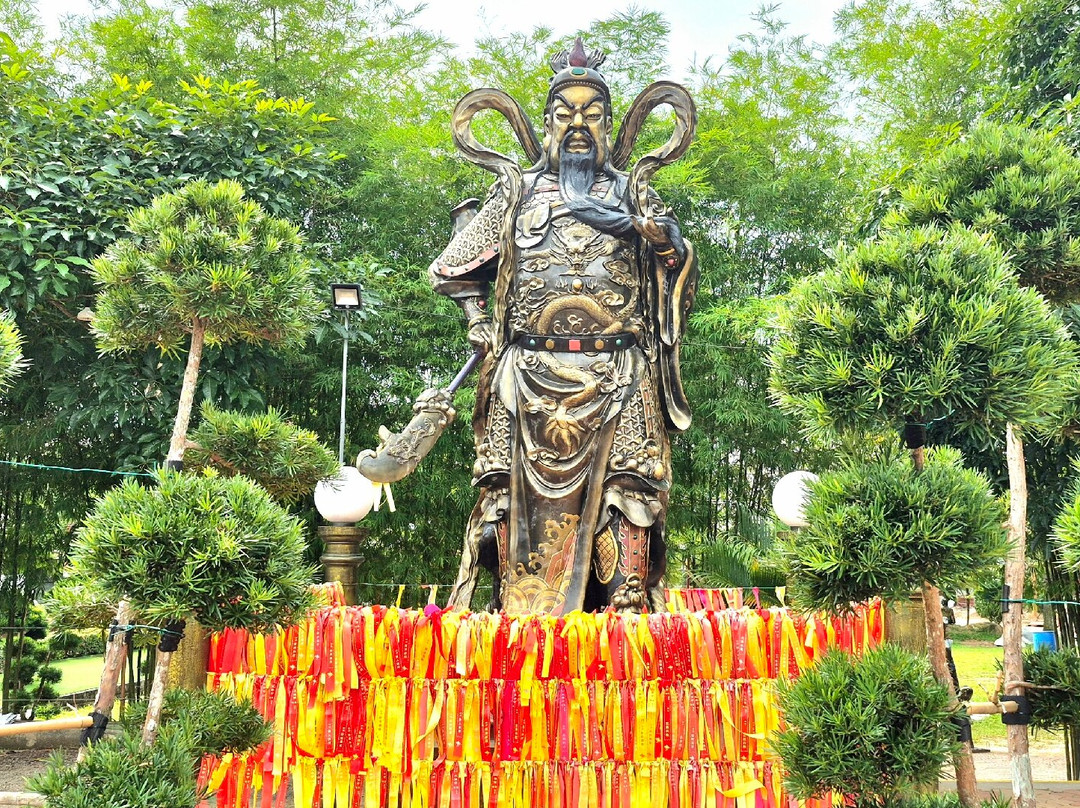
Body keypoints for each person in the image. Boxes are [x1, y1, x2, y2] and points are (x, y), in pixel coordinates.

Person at [433, 40, 697, 615]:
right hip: (525, 373)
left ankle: (624, 608)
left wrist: (665, 244)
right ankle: (515, 608)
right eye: (565, 114)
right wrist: (479, 322)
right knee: (504, 493)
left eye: (593, 114)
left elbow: (677, 270)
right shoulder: (517, 191)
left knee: (630, 490)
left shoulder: (630, 193)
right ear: (547, 124)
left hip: (619, 371)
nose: (579, 125)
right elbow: (452, 271)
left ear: (610, 126)